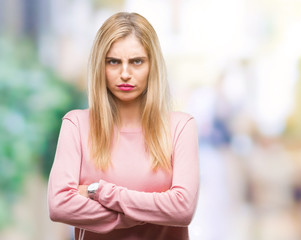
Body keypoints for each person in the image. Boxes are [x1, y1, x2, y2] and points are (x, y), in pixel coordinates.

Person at [48, 12, 200, 240]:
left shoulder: (180, 127)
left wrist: (98, 191)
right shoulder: (76, 125)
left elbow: (182, 209)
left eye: (137, 61)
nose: (125, 73)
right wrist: (153, 209)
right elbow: (59, 205)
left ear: (152, 66)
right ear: (101, 66)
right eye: (113, 62)